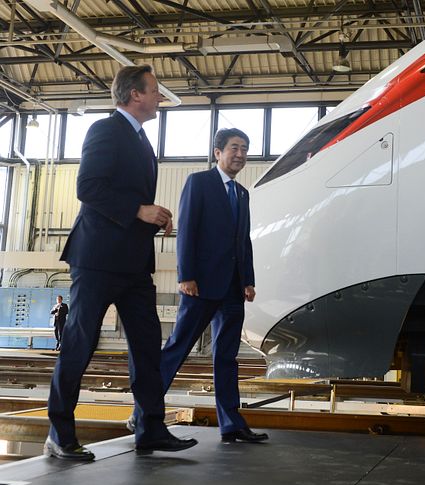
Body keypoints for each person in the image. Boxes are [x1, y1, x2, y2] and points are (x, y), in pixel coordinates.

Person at [45, 65, 198, 461]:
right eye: (155, 91)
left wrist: (153, 218)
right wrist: (139, 211)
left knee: (147, 346)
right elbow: (88, 187)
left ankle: (150, 429)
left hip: (133, 263)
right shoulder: (105, 130)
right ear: (135, 95)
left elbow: (130, 199)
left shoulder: (142, 140)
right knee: (79, 344)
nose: (160, 97)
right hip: (97, 260)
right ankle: (60, 434)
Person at [130, 128, 268, 444]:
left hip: (233, 289)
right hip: (201, 285)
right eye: (235, 147)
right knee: (177, 349)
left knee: (226, 357)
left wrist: (248, 279)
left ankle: (231, 424)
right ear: (218, 152)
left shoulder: (243, 194)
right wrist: (185, 275)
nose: (241, 154)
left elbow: (242, 240)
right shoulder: (199, 183)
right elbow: (188, 228)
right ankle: (142, 414)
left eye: (245, 149)